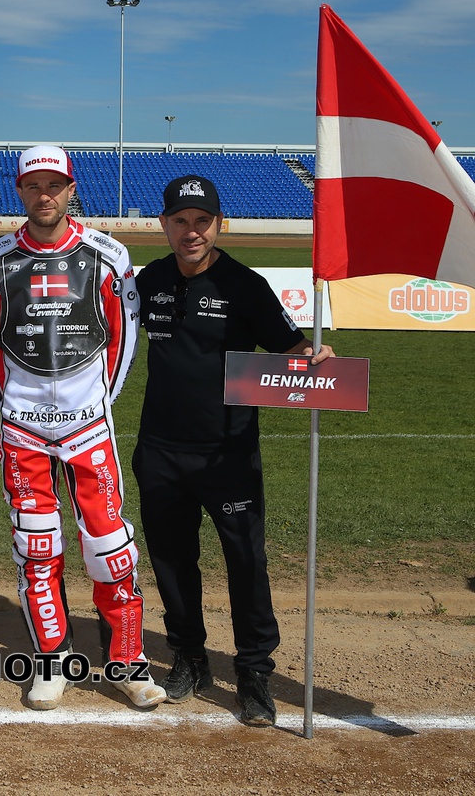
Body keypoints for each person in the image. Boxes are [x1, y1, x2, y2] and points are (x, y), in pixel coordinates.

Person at [134, 175, 334, 727]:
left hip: (228, 454)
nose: (191, 231)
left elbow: (292, 347)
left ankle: (253, 672)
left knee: (246, 562)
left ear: (219, 224)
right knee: (172, 561)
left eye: (202, 221)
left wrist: (314, 356)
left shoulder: (246, 285)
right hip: (161, 450)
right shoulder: (149, 280)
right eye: (180, 221)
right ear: (164, 225)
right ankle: (189, 657)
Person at [0, 145, 165, 711]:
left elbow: (124, 340)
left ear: (71, 189)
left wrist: (97, 403)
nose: (44, 195)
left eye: (54, 185)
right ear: (19, 190)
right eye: (34, 185)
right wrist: (15, 405)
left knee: (110, 547)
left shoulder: (107, 255)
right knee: (36, 547)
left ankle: (127, 661)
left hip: (89, 426)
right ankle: (52, 660)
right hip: (23, 430)